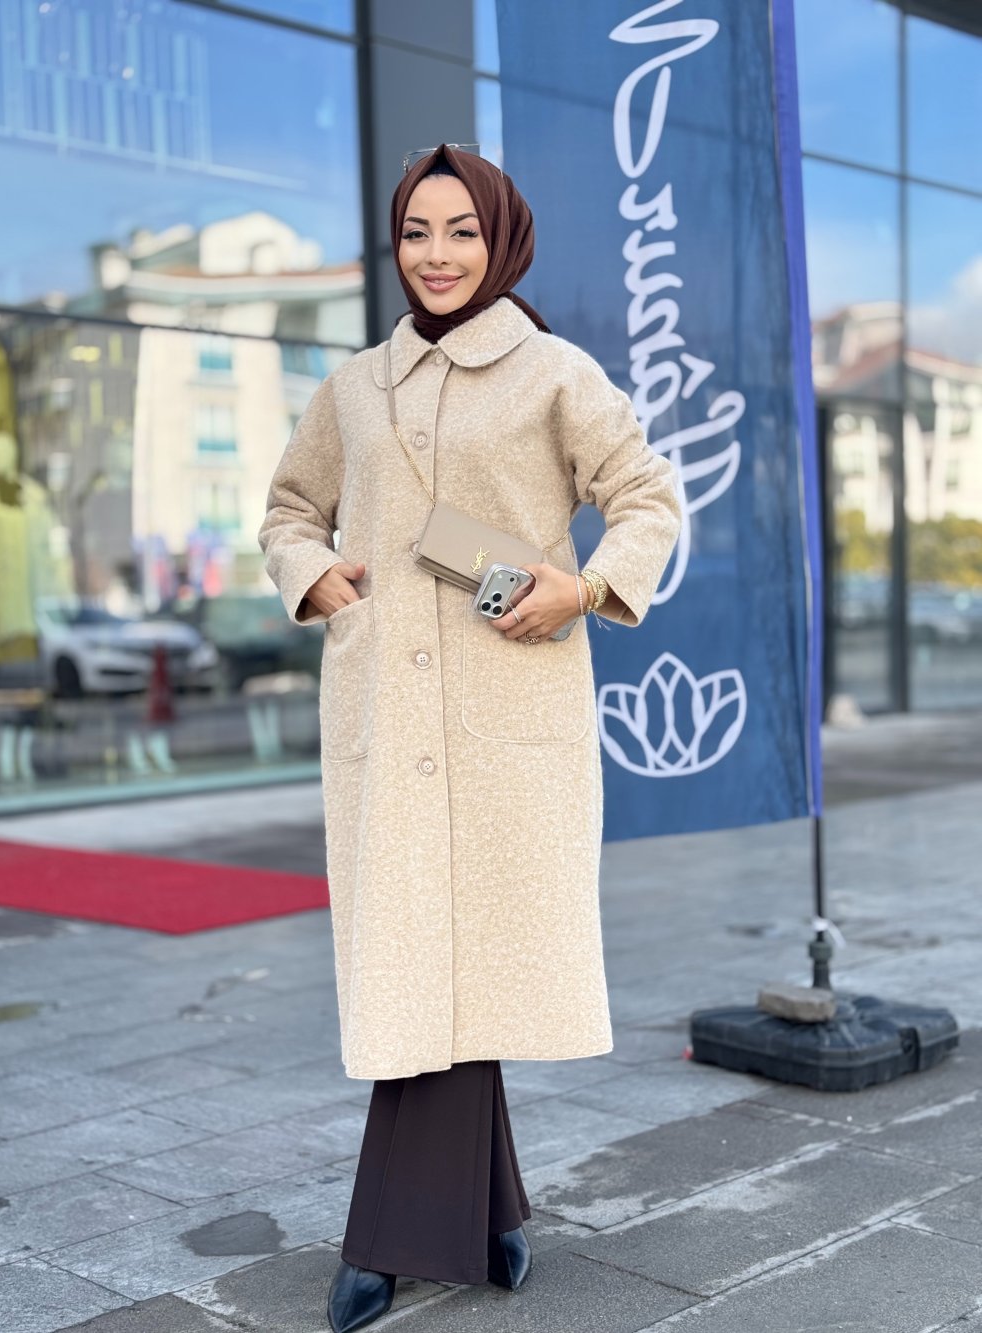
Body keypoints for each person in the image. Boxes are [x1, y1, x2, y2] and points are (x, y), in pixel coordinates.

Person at [259, 143, 681, 1332]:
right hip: (386, 716)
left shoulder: (553, 372)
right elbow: (289, 508)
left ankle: (385, 1241)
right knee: (421, 959)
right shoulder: (354, 387)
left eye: (460, 231)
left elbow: (647, 495)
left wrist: (582, 587)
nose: (436, 254)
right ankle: (487, 1216)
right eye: (415, 231)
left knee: (457, 960)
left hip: (505, 717)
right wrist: (312, 573)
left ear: (501, 241)